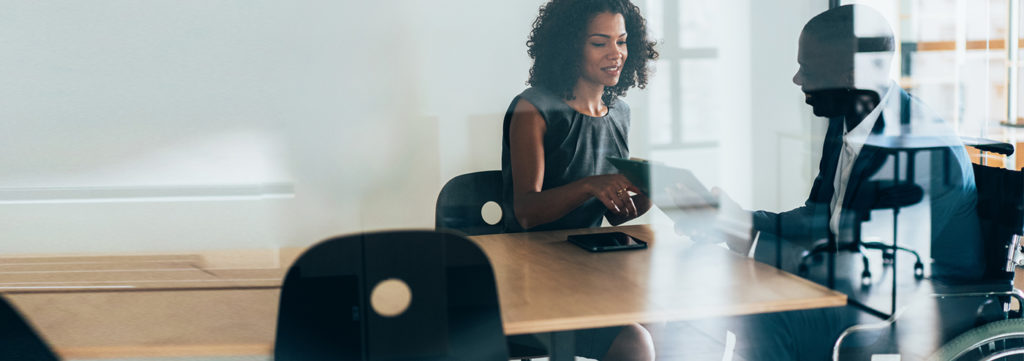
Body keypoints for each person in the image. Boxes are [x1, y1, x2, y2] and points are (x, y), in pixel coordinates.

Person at [669, 4, 984, 360]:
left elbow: (870, 274)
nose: (797, 79)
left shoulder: (924, 150)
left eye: (807, 67)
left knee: (761, 314)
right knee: (703, 288)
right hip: (854, 291)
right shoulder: (846, 121)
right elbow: (817, 217)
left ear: (851, 74)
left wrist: (750, 240)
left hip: (912, 312)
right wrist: (736, 219)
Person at [500, 0, 659, 360]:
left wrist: (648, 192)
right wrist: (591, 184)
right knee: (634, 342)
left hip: (589, 267)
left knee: (664, 319)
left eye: (621, 41)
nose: (615, 53)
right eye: (599, 42)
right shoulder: (533, 108)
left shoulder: (619, 112)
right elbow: (526, 211)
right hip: (534, 274)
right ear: (571, 47)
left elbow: (615, 214)